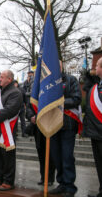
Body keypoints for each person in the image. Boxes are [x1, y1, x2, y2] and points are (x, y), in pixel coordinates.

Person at [49, 61, 81, 197]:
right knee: (56, 156)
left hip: (68, 123)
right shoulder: (48, 83)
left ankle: (69, 186)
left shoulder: (71, 80)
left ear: (61, 67)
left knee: (67, 156)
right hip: (52, 123)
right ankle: (61, 183)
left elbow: (76, 99)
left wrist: (58, 103)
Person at [26, 94, 55, 186]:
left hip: (48, 125)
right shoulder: (35, 92)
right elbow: (29, 107)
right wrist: (31, 116)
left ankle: (49, 178)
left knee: (50, 155)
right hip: (37, 129)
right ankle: (43, 177)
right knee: (41, 154)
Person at [83, 57, 102, 197]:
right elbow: (87, 89)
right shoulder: (96, 86)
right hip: (95, 132)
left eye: (97, 66)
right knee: (99, 166)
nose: (94, 68)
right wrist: (89, 76)